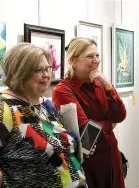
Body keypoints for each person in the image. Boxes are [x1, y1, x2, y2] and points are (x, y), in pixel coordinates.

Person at [0, 43, 88, 188]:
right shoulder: (3, 107)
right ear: (19, 72)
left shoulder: (44, 105)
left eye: (48, 68)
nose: (47, 74)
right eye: (38, 70)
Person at [52, 37, 127, 188]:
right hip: (89, 165)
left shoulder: (100, 83)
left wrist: (107, 85)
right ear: (73, 60)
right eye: (89, 56)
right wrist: (109, 124)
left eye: (97, 55)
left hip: (112, 159)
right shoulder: (63, 90)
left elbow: (120, 115)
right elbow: (86, 134)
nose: (96, 60)